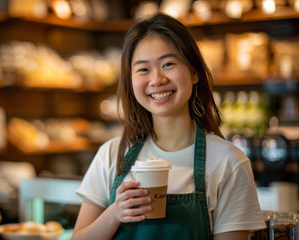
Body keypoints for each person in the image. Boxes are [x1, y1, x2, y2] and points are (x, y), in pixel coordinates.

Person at [72, 14, 266, 240]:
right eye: (143, 69)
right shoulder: (112, 155)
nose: (156, 79)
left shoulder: (228, 162)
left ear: (194, 73)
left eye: (168, 64)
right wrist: (114, 213)